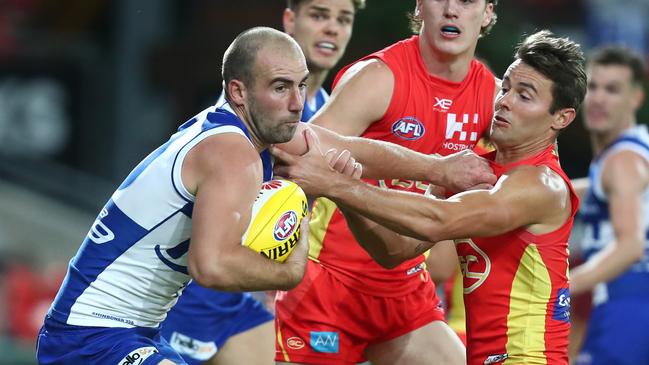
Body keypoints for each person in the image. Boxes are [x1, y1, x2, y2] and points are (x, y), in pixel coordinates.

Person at [36, 26, 495, 365]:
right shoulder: (230, 152)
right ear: (238, 91)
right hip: (90, 339)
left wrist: (440, 167)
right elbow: (211, 265)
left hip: (124, 332)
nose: (297, 102)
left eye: (300, 85)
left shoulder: (249, 132)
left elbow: (349, 148)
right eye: (280, 88)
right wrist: (293, 258)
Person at [273, 30, 586, 365]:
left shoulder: (541, 185)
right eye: (505, 87)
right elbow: (396, 250)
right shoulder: (478, 170)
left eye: (524, 96)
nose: (504, 101)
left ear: (561, 118)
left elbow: (438, 220)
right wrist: (344, 188)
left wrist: (335, 185)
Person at [272, 1, 499, 364]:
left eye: (467, 0)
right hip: (330, 289)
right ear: (419, 6)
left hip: (407, 294)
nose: (451, 10)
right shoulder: (378, 77)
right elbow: (298, 151)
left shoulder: (493, 97)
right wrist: (435, 169)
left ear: (487, 12)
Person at [160, 1, 365, 364]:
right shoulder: (256, 106)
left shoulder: (327, 106)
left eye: (343, 19)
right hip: (189, 288)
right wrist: (436, 169)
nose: (332, 29)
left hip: (246, 293)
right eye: (319, 15)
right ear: (290, 20)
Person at [570, 46, 649, 365]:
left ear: (636, 99)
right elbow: (595, 190)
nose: (599, 98)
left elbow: (629, 247)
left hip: (629, 302)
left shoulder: (622, 161)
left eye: (613, 89)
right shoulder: (631, 150)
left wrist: (561, 286)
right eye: (593, 86)